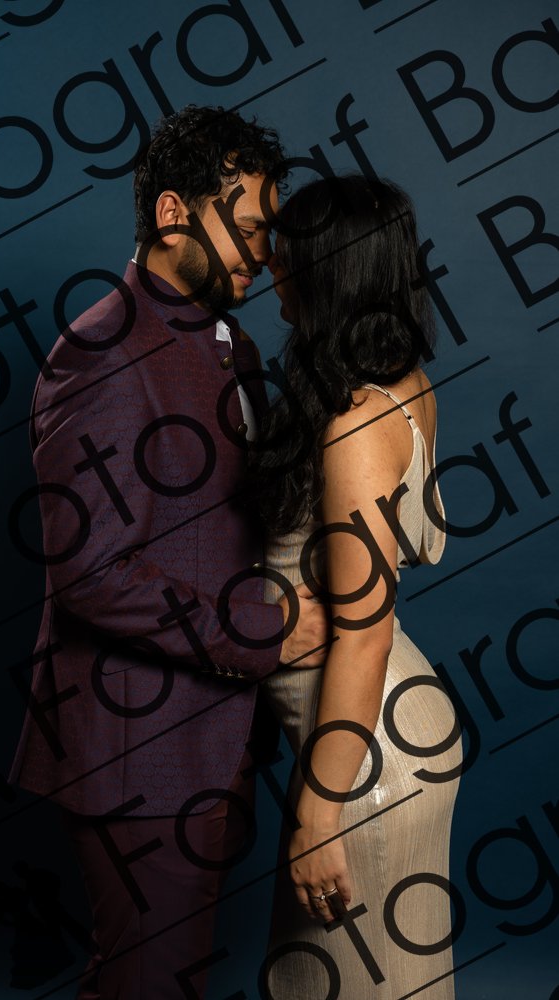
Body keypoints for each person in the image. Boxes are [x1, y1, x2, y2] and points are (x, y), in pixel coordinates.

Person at [8, 105, 329, 1000]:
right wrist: (265, 631)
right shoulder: (102, 351)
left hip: (210, 739)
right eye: (250, 227)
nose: (265, 253)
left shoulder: (233, 344)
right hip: (135, 751)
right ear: (173, 214)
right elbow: (91, 576)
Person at [250, 175, 463, 999]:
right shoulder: (402, 381)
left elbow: (365, 631)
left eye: (286, 256)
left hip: (365, 762)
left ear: (327, 272)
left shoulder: (356, 424)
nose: (268, 266)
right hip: (383, 737)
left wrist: (317, 816)